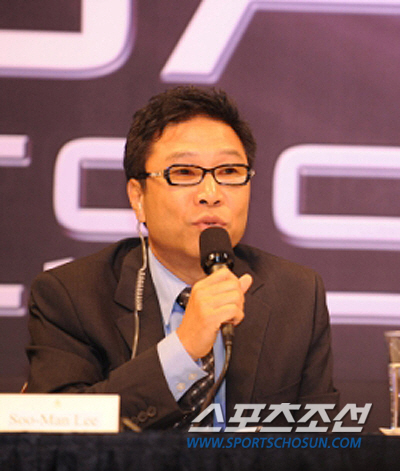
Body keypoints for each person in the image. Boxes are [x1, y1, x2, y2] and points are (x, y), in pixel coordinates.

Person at [26, 86, 338, 430]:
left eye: (229, 171)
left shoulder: (296, 294)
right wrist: (183, 349)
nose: (211, 194)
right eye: (184, 173)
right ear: (138, 197)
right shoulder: (71, 296)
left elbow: (321, 438)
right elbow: (56, 434)